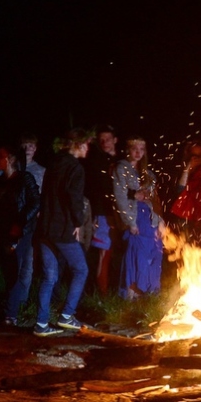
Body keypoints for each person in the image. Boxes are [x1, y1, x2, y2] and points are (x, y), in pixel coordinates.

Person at [34, 128, 91, 337]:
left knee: (49, 276)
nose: (88, 148)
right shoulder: (75, 168)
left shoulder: (54, 163)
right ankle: (67, 315)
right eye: (85, 144)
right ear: (77, 145)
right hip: (62, 229)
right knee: (81, 269)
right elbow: (74, 199)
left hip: (45, 228)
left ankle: (41, 324)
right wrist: (77, 222)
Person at [0, 144, 40, 324]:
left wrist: (19, 224)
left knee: (13, 274)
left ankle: (11, 315)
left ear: (10, 159)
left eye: (0, 155)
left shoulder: (25, 178)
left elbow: (35, 203)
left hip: (16, 234)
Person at [113, 136, 164, 298]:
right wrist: (130, 222)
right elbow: (119, 196)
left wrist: (161, 221)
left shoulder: (147, 174)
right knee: (136, 254)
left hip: (150, 219)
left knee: (154, 252)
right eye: (135, 148)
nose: (138, 152)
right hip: (135, 217)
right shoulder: (121, 169)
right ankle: (132, 294)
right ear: (128, 149)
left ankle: (150, 292)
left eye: (141, 149)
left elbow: (155, 200)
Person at [84, 125, 120, 294]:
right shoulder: (96, 162)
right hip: (104, 215)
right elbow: (95, 191)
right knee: (103, 255)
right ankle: (102, 294)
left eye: (108, 139)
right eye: (102, 140)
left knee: (118, 255)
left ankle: (119, 292)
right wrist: (96, 216)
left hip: (122, 216)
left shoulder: (122, 161)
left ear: (115, 140)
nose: (105, 142)